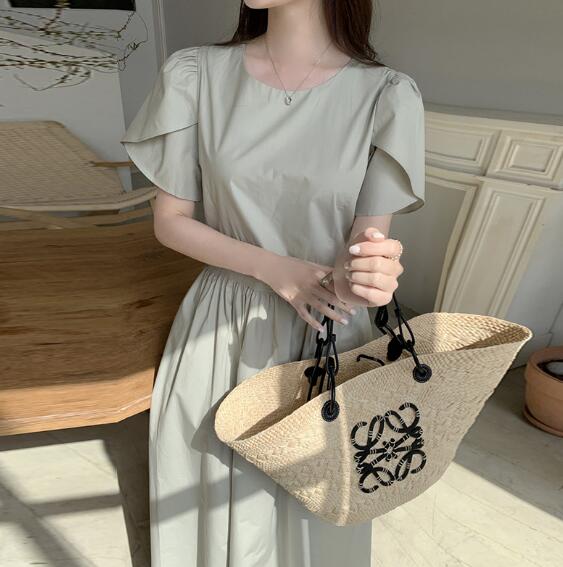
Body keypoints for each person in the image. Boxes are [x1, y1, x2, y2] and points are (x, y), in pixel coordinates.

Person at [120, 1, 425, 565]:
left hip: (327, 331)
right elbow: (170, 221)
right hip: (220, 328)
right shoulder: (195, 75)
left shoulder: (386, 95)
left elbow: (364, 250)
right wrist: (277, 269)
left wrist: (371, 279)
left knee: (316, 510)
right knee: (209, 499)